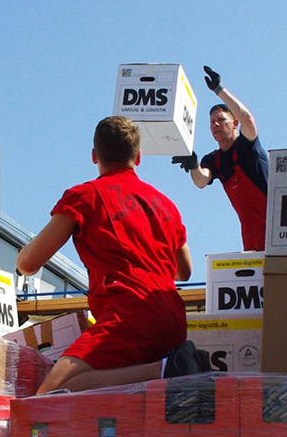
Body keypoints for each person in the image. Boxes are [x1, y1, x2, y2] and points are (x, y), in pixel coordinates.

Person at [17, 115, 200, 393]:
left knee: (50, 393)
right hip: (172, 319)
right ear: (137, 157)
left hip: (129, 312)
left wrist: (21, 254)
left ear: (94, 156)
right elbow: (183, 272)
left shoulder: (84, 196)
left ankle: (166, 368)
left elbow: (29, 264)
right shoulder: (166, 204)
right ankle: (170, 365)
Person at [176, 65, 269, 251]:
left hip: (276, 227)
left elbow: (248, 120)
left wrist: (219, 90)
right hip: (251, 235)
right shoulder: (213, 160)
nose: (215, 124)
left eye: (221, 120)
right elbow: (201, 181)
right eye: (212, 122)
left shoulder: (247, 145)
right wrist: (194, 166)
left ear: (234, 123)